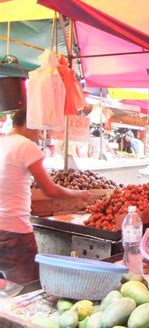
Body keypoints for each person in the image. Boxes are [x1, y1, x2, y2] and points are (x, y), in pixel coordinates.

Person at [0, 109, 89, 284]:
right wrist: (79, 195)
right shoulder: (25, 146)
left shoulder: (2, 143)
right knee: (26, 287)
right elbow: (50, 190)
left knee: (5, 289)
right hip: (14, 230)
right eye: (39, 129)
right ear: (29, 123)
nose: (40, 135)